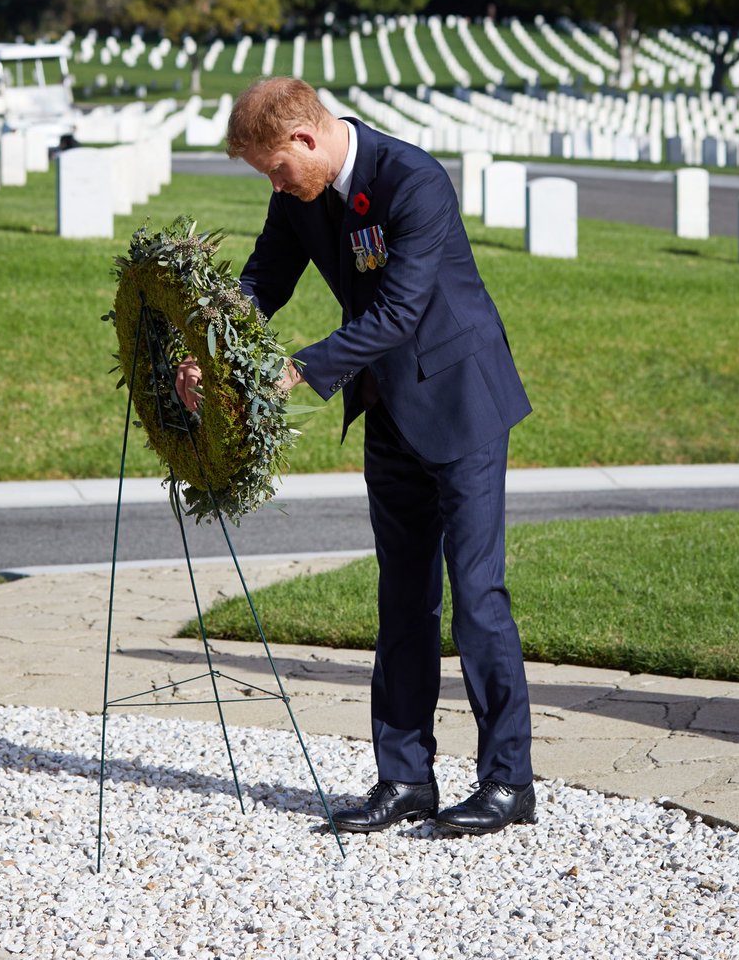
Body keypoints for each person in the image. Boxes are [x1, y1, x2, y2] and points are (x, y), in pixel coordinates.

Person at [176, 77, 536, 836]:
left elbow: (401, 310)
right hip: (388, 411)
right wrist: (211, 349)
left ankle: (508, 781)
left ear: (307, 139)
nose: (275, 184)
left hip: (461, 402)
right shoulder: (298, 198)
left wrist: (300, 367)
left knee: (476, 596)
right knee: (403, 601)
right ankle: (405, 778)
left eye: (276, 168)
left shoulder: (413, 180)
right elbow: (262, 280)